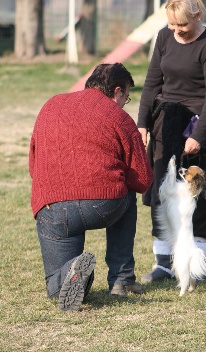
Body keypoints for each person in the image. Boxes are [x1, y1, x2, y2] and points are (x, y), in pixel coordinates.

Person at [29, 63, 153, 311]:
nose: (124, 102)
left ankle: (72, 274)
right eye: (126, 97)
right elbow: (142, 180)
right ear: (118, 91)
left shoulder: (51, 104)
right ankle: (122, 280)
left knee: (56, 286)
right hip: (103, 205)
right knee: (127, 189)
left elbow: (34, 163)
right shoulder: (119, 117)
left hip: (52, 206)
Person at [137, 0, 206, 283]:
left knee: (199, 195)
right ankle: (164, 263)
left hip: (200, 124)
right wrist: (142, 123)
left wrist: (198, 136)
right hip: (166, 122)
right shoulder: (164, 38)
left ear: (197, 17)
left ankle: (200, 264)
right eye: (172, 24)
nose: (176, 30)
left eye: (182, 25)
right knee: (162, 192)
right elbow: (152, 84)